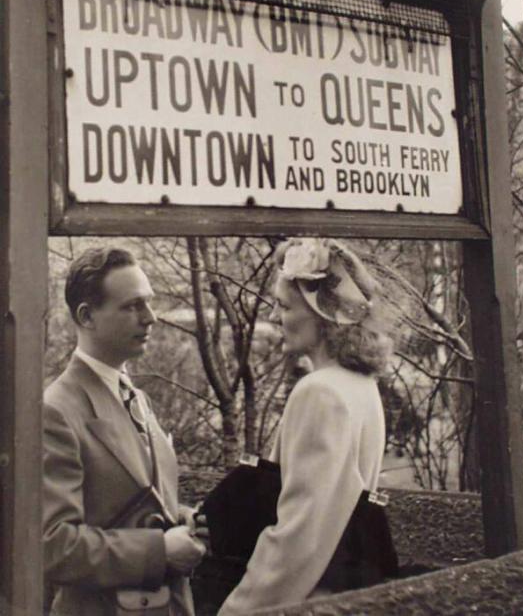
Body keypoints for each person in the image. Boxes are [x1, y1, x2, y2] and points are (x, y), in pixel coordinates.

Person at [217, 237, 395, 616]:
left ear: (323, 314)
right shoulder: (361, 385)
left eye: (284, 306)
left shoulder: (320, 392)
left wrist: (237, 609)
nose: (275, 318)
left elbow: (300, 535)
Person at [43, 247, 206, 616]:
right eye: (132, 306)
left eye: (149, 303)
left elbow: (133, 500)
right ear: (87, 317)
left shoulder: (134, 396)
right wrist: (160, 551)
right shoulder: (57, 410)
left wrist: (183, 519)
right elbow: (54, 545)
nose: (150, 318)